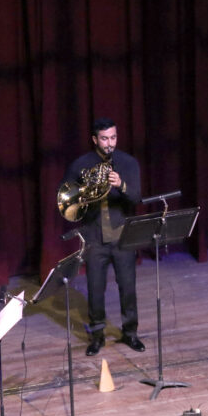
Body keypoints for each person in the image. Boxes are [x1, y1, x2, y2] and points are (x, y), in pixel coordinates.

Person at [62, 117, 144, 356]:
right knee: (95, 289)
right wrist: (85, 193)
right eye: (105, 139)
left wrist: (122, 185)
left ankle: (130, 332)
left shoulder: (128, 163)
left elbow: (136, 197)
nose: (110, 143)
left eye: (113, 138)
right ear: (95, 139)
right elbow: (66, 198)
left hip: (122, 237)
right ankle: (97, 336)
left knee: (128, 288)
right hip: (95, 238)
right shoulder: (81, 165)